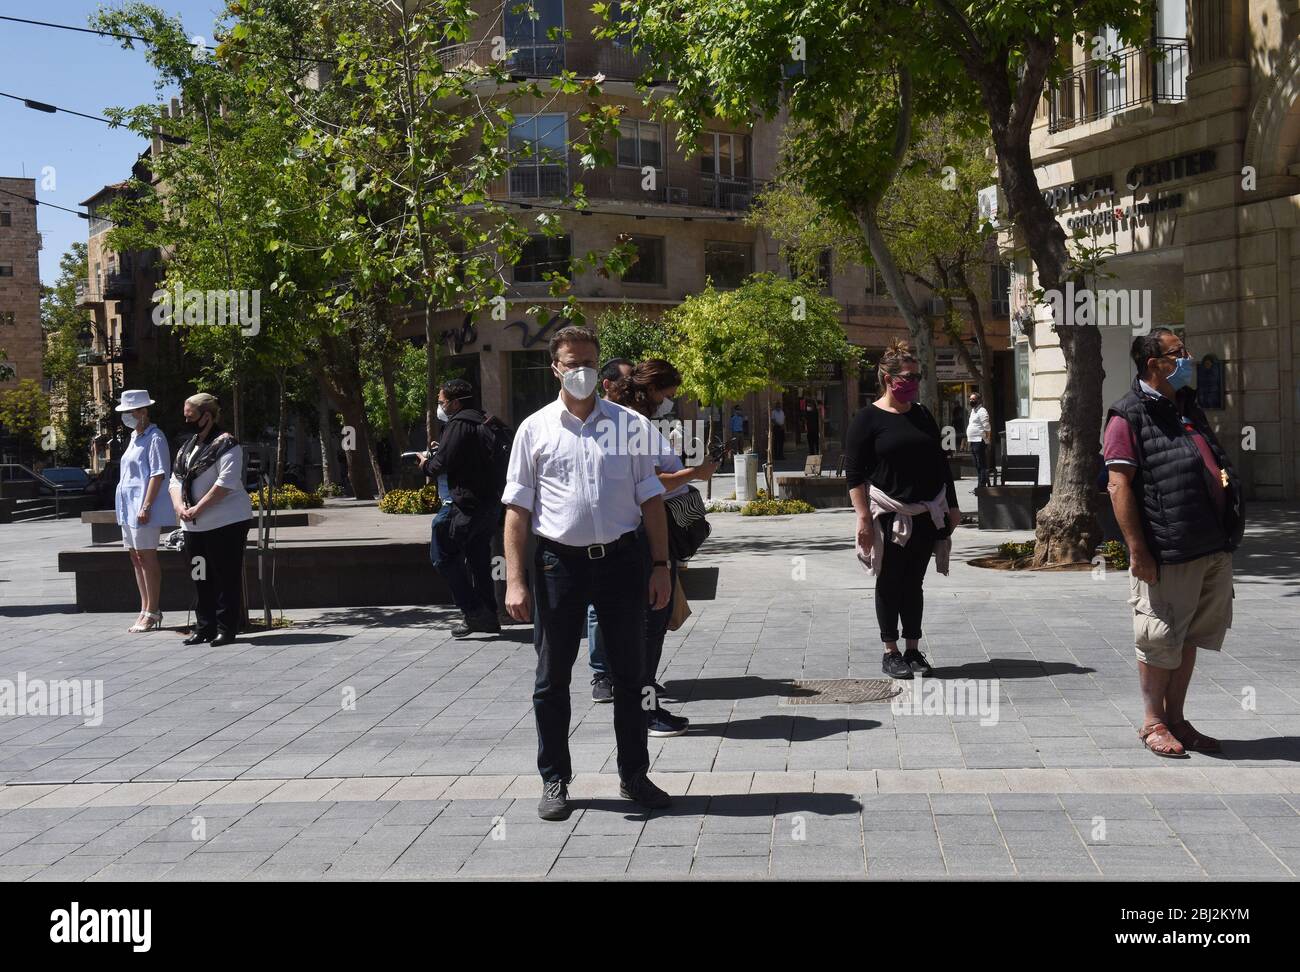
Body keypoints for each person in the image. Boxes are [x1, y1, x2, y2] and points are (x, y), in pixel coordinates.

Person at [503, 325, 674, 820]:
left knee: (631, 675)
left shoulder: (628, 425)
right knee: (551, 678)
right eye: (572, 363)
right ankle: (555, 780)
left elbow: (651, 499)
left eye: (590, 363)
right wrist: (515, 580)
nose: (582, 372)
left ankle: (634, 776)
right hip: (559, 565)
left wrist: (661, 566)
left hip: (623, 562)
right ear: (554, 367)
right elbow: (516, 510)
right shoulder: (534, 429)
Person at [1105, 328, 1244, 759]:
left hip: (1209, 545)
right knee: (1159, 636)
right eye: (1178, 353)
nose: (1187, 359)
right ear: (1155, 364)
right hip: (1168, 550)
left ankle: (1178, 718)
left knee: (1188, 637)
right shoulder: (1126, 414)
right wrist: (1138, 550)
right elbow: (1117, 485)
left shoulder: (1185, 407)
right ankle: (1152, 722)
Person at [602, 358, 720, 737]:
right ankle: (645, 712)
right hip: (646, 538)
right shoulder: (632, 424)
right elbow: (651, 483)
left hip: (645, 538)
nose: (671, 400)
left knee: (650, 627)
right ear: (652, 389)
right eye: (668, 393)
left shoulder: (628, 421)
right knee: (650, 627)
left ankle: (644, 708)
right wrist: (695, 474)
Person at [845, 339, 960, 680]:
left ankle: (913, 648)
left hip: (925, 513)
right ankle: (890, 651)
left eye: (917, 376)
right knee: (890, 581)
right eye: (907, 376)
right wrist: (863, 518)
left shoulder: (923, 414)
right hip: (888, 514)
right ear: (887, 377)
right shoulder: (867, 419)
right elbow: (854, 474)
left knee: (915, 583)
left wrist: (952, 505)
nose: (912, 382)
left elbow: (941, 463)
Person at [420, 378, 503, 639]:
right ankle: (489, 616)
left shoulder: (458, 424)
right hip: (490, 505)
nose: (440, 407)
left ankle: (473, 611)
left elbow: (438, 467)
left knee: (441, 555)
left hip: (464, 505)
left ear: (455, 402)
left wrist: (424, 463)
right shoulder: (486, 419)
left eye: (442, 402)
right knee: (478, 560)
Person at [169, 393, 253, 647]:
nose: (186, 420)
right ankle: (204, 626)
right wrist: (181, 507)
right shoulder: (188, 445)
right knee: (200, 574)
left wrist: (198, 509)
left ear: (206, 416)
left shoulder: (227, 444)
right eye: (184, 415)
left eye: (190, 416)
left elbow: (224, 484)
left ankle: (227, 628)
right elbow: (176, 480)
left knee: (225, 575)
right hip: (194, 526)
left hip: (226, 522)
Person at [589, 357, 635, 702]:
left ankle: (634, 673)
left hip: (631, 537)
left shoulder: (634, 421)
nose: (633, 385)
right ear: (607, 384)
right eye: (628, 380)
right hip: (590, 540)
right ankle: (601, 674)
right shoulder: (591, 422)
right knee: (596, 609)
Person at [113, 389, 177, 632]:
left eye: (131, 412)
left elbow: (158, 473)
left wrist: (147, 504)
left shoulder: (155, 437)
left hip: (142, 504)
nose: (128, 416)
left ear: (143, 412)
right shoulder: (133, 437)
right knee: (136, 557)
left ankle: (153, 609)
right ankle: (144, 607)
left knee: (147, 556)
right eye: (126, 412)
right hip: (127, 504)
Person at [966, 392, 992, 487]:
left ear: (979, 400)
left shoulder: (982, 411)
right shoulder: (973, 411)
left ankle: (982, 484)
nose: (971, 401)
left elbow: (987, 426)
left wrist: (987, 440)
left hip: (979, 440)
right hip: (972, 440)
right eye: (970, 399)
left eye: (973, 399)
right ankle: (980, 483)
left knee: (981, 463)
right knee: (976, 463)